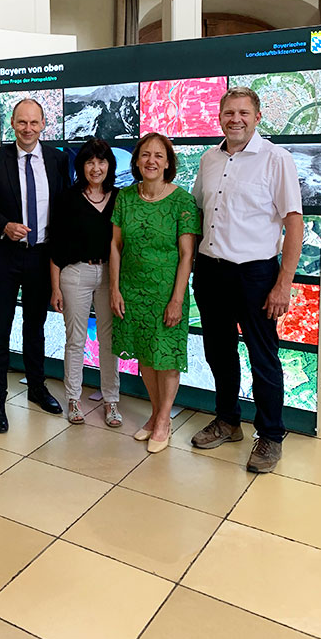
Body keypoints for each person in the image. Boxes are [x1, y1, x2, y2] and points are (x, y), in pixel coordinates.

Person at [191, 86, 303, 473]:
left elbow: (293, 222)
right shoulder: (208, 159)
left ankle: (270, 435)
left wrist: (284, 282)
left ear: (257, 116)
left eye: (243, 112)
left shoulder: (276, 159)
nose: (235, 119)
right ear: (219, 117)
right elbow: (198, 213)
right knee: (218, 352)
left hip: (255, 275)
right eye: (228, 112)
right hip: (210, 272)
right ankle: (227, 420)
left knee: (263, 357)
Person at [0, 97, 71, 432]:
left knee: (36, 327)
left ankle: (37, 387)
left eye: (34, 123)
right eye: (21, 122)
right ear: (12, 124)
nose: (28, 129)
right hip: (4, 257)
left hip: (41, 258)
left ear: (44, 125)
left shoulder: (57, 160)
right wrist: (4, 225)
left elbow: (65, 207)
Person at [110, 132, 201, 453]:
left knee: (166, 358)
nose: (151, 161)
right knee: (145, 356)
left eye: (158, 156)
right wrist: (115, 289)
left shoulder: (183, 201)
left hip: (167, 292)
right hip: (132, 291)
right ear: (136, 160)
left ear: (167, 163)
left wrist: (177, 298)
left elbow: (187, 254)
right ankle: (155, 414)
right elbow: (116, 246)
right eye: (145, 155)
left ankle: (163, 420)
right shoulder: (124, 198)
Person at [50, 139, 122, 426]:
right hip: (75, 274)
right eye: (90, 161)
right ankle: (73, 398)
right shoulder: (68, 198)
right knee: (75, 340)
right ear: (81, 165)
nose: (96, 167)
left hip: (109, 275)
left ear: (109, 165)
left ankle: (111, 401)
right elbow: (55, 246)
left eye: (101, 161)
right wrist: (55, 287)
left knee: (108, 341)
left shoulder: (120, 197)